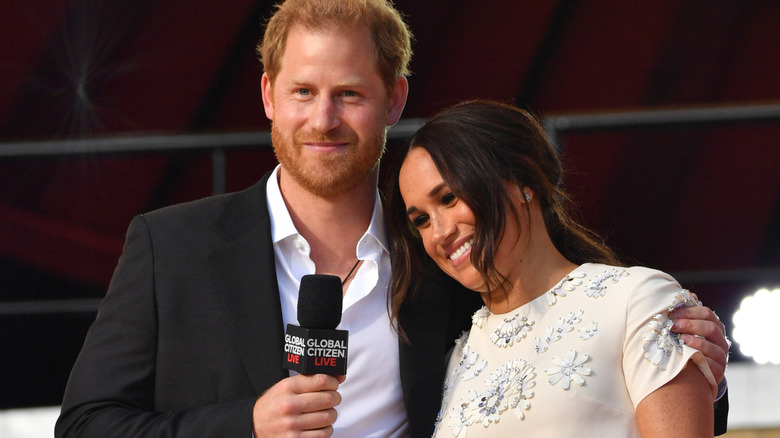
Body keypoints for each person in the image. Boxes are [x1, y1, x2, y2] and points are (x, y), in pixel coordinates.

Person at [55, 1, 729, 437]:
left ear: (394, 98)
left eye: (349, 93)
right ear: (268, 95)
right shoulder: (169, 247)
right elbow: (85, 426)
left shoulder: (447, 255)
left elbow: (566, 368)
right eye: (303, 92)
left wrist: (692, 366)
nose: (323, 119)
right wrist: (247, 425)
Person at [386, 99, 726, 437]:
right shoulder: (452, 361)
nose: (440, 232)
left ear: (522, 182)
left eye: (449, 198)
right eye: (421, 220)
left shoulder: (636, 301)